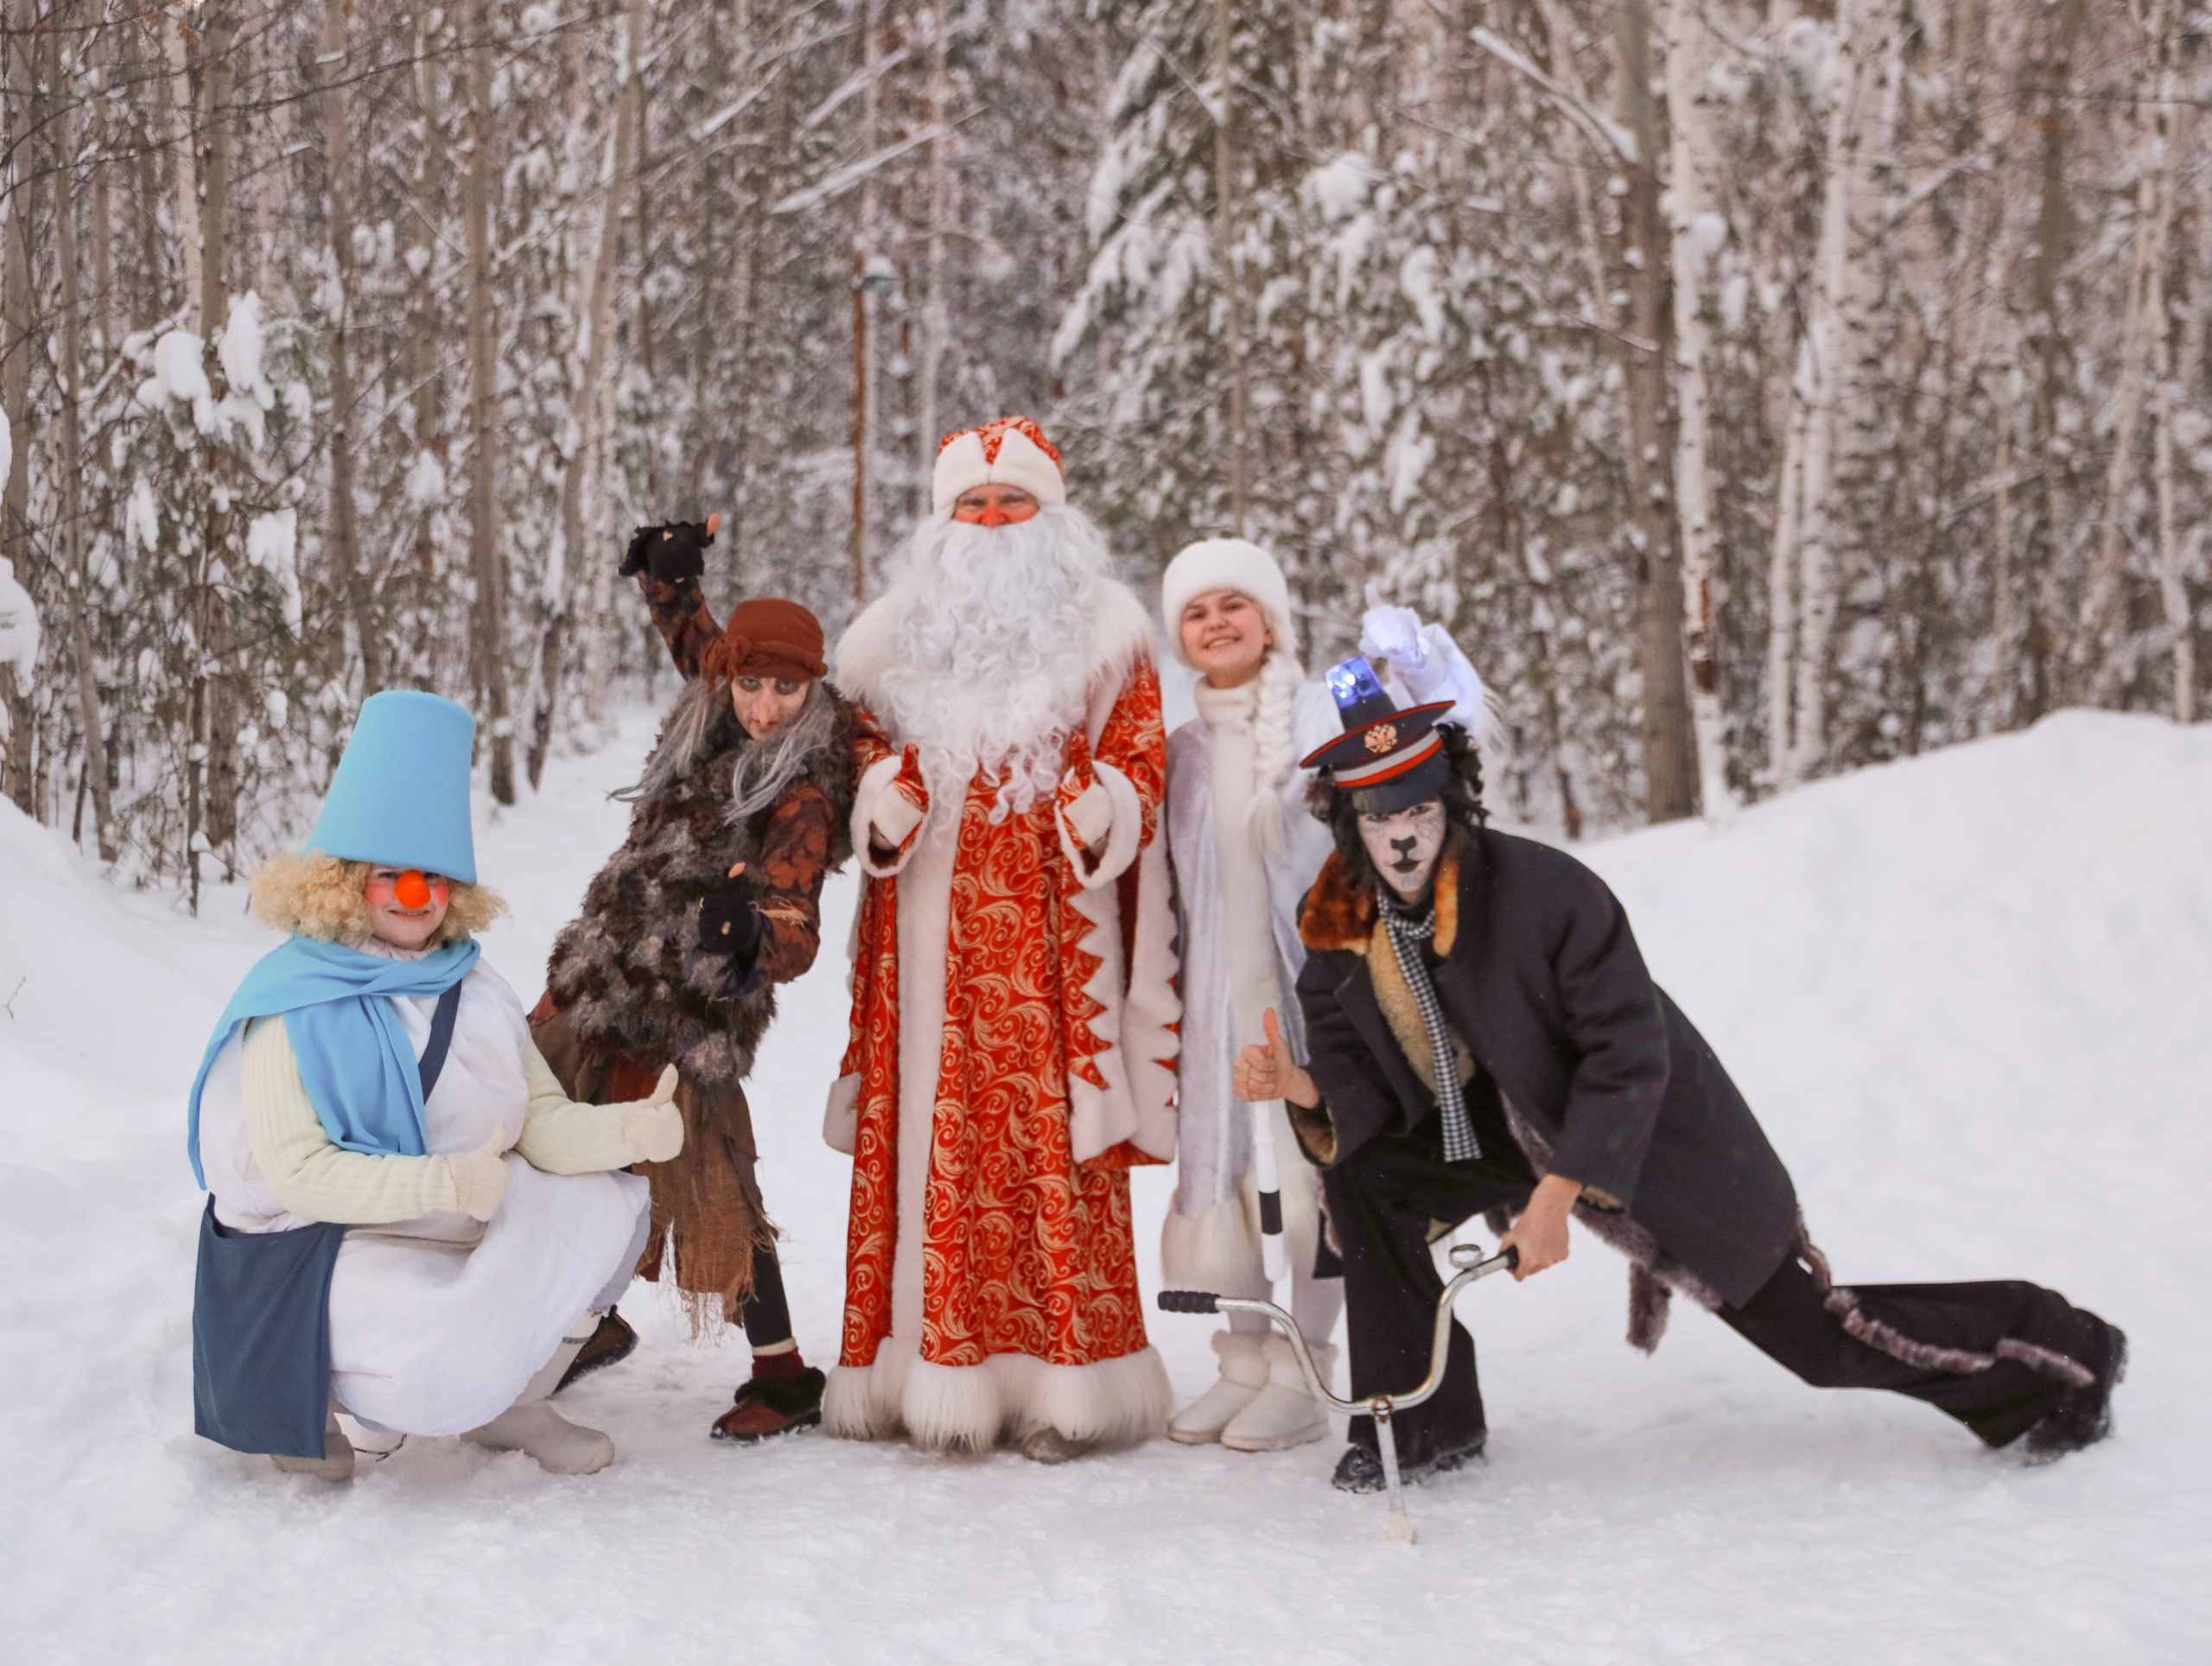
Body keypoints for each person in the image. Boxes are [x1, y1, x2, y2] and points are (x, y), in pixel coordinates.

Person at [1232, 664, 2128, 1492]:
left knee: (1816, 1337)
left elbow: (1629, 1054)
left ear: (1451, 799)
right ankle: (1418, 1423)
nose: (1401, 835)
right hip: (1496, 1130)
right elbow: (1364, 1086)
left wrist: (1556, 1194)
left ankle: (2060, 1346)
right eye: (1378, 816)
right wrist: (1299, 1086)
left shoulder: (1546, 894)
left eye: (1418, 809)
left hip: (1647, 1137)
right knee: (1367, 1176)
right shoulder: (1338, 922)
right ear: (1348, 822)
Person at [188, 690, 682, 1482]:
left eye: (432, 876)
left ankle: (509, 1401)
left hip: (451, 1216)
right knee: (436, 1348)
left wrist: (628, 1133)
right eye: (389, 874)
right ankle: (320, 1396)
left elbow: (539, 1123)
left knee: (611, 1207)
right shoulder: (290, 1001)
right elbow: (296, 1175)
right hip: (317, 1250)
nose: (412, 896)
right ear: (345, 881)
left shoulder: (474, 985)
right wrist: (443, 1179)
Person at [822, 416, 1181, 1462]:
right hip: (922, 953)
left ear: (1049, 516)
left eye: (1010, 502)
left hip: (1052, 955)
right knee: (930, 1144)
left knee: (1045, 1147)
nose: (989, 521)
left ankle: (1064, 1393)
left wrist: (1104, 803)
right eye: (970, 505)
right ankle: (918, 1378)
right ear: (940, 521)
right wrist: (877, 806)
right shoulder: (887, 640)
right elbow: (850, 759)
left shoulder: (1108, 631)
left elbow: (1142, 760)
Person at [537, 521, 871, 1442]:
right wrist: (669, 575)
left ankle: (784, 1371)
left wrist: (748, 931)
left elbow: (797, 921)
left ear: (814, 688)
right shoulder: (712, 703)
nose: (766, 704)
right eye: (752, 682)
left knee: (711, 1183)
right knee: (542, 1130)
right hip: (600, 969)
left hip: (693, 1005)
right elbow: (697, 638)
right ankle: (584, 1317)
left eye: (787, 687)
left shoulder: (804, 785)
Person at [1157, 543, 1485, 1451]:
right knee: (1232, 1181)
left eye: (1235, 604)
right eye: (1196, 612)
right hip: (1218, 994)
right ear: (1180, 637)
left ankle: (1308, 1369)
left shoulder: (1321, 709)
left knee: (1315, 1176)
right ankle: (1244, 1362)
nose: (1217, 622)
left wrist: (1415, 668)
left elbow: (1428, 758)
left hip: (1321, 989)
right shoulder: (1180, 750)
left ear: (1270, 618)